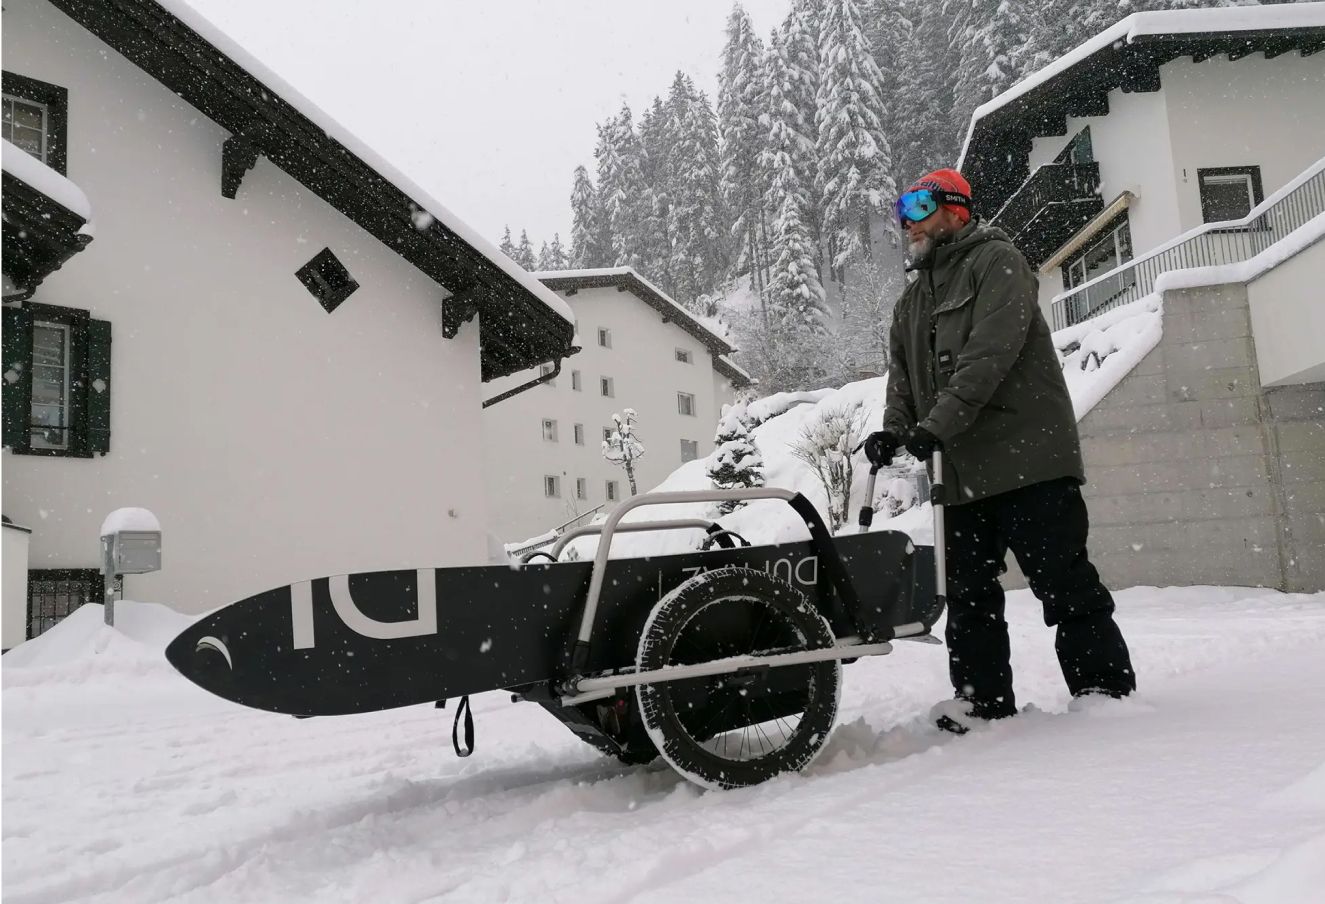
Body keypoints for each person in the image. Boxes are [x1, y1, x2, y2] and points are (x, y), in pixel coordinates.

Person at [864, 168, 1136, 735]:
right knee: (967, 595)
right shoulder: (910, 304)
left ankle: (1104, 693)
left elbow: (988, 358)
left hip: (1028, 459)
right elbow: (903, 385)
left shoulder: (998, 263)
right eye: (901, 211)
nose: (907, 222)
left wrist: (934, 427)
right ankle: (981, 702)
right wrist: (895, 430)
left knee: (1063, 582)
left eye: (918, 207)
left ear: (956, 210)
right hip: (960, 472)